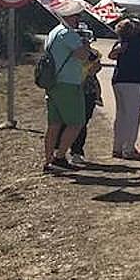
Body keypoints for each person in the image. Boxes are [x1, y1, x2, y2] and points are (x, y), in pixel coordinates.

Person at [41, 15, 92, 171]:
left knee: (54, 124)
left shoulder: (54, 32)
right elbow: (83, 56)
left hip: (53, 83)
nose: (78, 19)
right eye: (76, 16)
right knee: (76, 123)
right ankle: (60, 157)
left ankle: (48, 160)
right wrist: (85, 43)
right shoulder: (68, 34)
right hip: (68, 83)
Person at [110, 18, 140, 161]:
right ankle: (129, 149)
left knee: (121, 116)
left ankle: (117, 147)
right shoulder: (138, 42)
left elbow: (112, 55)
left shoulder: (120, 42)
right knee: (133, 117)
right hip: (132, 81)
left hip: (118, 79)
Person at [68, 42, 103, 166]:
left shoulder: (93, 53)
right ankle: (59, 151)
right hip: (71, 88)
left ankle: (77, 151)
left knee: (82, 122)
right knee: (67, 122)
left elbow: (96, 68)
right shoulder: (69, 51)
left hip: (87, 90)